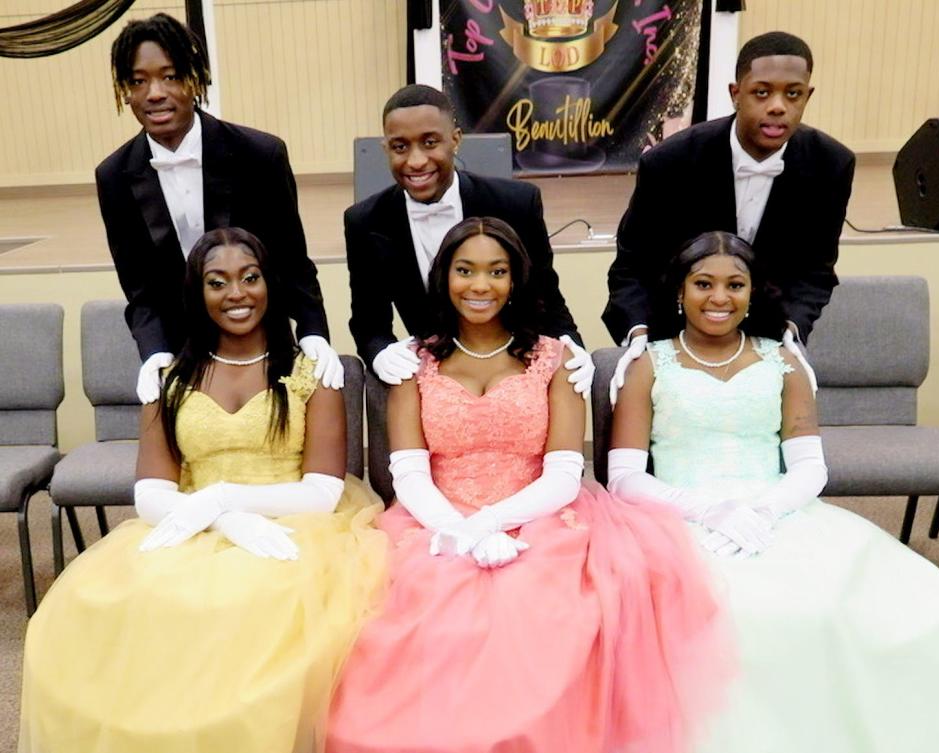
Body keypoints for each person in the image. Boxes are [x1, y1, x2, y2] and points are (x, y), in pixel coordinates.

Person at [323, 217, 732, 753]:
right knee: (413, 613)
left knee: (540, 614)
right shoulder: (415, 362)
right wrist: (462, 530)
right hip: (436, 517)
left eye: (497, 271)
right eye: (465, 270)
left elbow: (565, 471)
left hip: (542, 513)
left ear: (516, 280)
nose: (480, 286)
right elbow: (408, 471)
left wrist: (494, 520)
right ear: (444, 277)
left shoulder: (554, 358)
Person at [19, 228, 388, 753]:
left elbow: (324, 490)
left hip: (297, 520)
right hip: (194, 517)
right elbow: (150, 492)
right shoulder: (169, 377)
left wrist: (225, 498)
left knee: (260, 603)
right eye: (218, 282)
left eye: (250, 278)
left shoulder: (312, 372)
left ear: (269, 284)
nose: (236, 293)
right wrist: (216, 512)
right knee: (117, 605)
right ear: (197, 292)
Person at [608, 230, 939, 753]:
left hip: (777, 510)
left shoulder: (783, 360)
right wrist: (710, 510)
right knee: (719, 615)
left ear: (754, 294)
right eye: (703, 283)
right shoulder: (647, 363)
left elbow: (810, 467)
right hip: (677, 517)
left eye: (735, 284)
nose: (719, 297)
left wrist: (763, 509)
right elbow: (624, 475)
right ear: (679, 292)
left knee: (865, 606)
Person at [96, 13, 342, 404]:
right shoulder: (113, 176)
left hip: (266, 350)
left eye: (171, 76)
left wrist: (314, 332)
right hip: (183, 360)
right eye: (138, 81)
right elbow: (140, 289)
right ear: (124, 91)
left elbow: (294, 262)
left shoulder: (260, 154)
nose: (154, 93)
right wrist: (154, 352)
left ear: (195, 78)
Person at [605, 30, 855, 404]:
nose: (777, 106)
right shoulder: (670, 162)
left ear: (808, 95)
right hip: (673, 340)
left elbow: (815, 270)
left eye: (793, 94)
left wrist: (792, 329)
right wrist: (638, 334)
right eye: (761, 92)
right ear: (735, 93)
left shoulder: (831, 164)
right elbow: (633, 265)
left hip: (765, 346)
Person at [345, 84, 595, 396]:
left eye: (430, 142)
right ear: (385, 149)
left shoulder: (516, 204)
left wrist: (572, 346)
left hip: (513, 373)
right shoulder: (364, 222)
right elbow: (369, 324)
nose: (416, 161)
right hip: (434, 379)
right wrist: (380, 353)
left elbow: (545, 300)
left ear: (456, 140)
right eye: (400, 147)